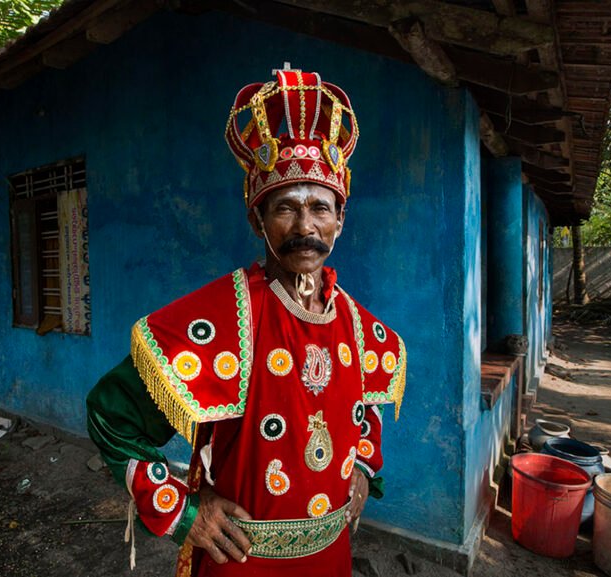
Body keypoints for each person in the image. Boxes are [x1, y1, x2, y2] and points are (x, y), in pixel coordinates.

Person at [86, 67, 407, 577]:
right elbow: (111, 415)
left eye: (321, 208)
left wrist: (364, 467)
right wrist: (184, 510)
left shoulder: (360, 326)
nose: (305, 226)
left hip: (331, 557)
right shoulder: (222, 317)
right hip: (240, 560)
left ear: (340, 220)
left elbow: (365, 408)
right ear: (257, 220)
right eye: (286, 208)